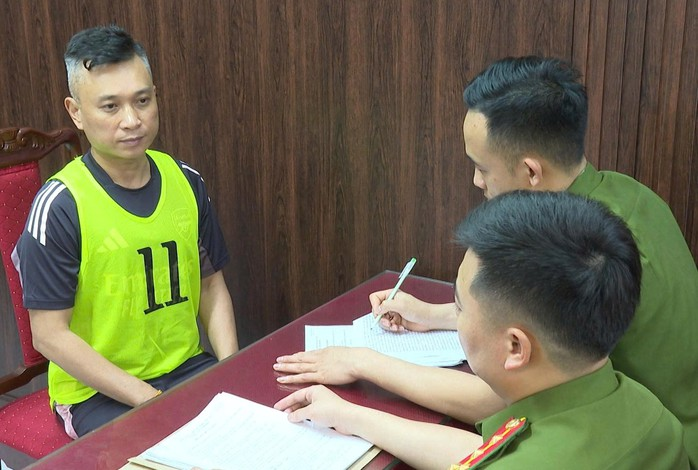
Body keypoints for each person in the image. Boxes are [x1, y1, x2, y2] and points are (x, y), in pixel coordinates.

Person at [274, 56, 698, 464]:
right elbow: (543, 319)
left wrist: (364, 363)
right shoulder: (624, 200)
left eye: (482, 167)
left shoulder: (587, 257)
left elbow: (507, 394)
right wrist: (436, 315)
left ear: (531, 172)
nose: (477, 181)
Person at [275, 191, 688, 468]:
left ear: (515, 348)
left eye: (459, 306)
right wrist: (351, 414)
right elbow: (488, 452)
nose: (454, 316)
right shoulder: (650, 412)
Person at [14, 25, 238, 438]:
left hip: (187, 366)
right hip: (95, 394)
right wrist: (151, 399)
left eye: (142, 100)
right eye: (110, 107)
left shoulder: (186, 181)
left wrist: (231, 370)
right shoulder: (61, 205)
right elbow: (48, 335)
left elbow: (211, 287)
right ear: (76, 112)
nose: (132, 120)